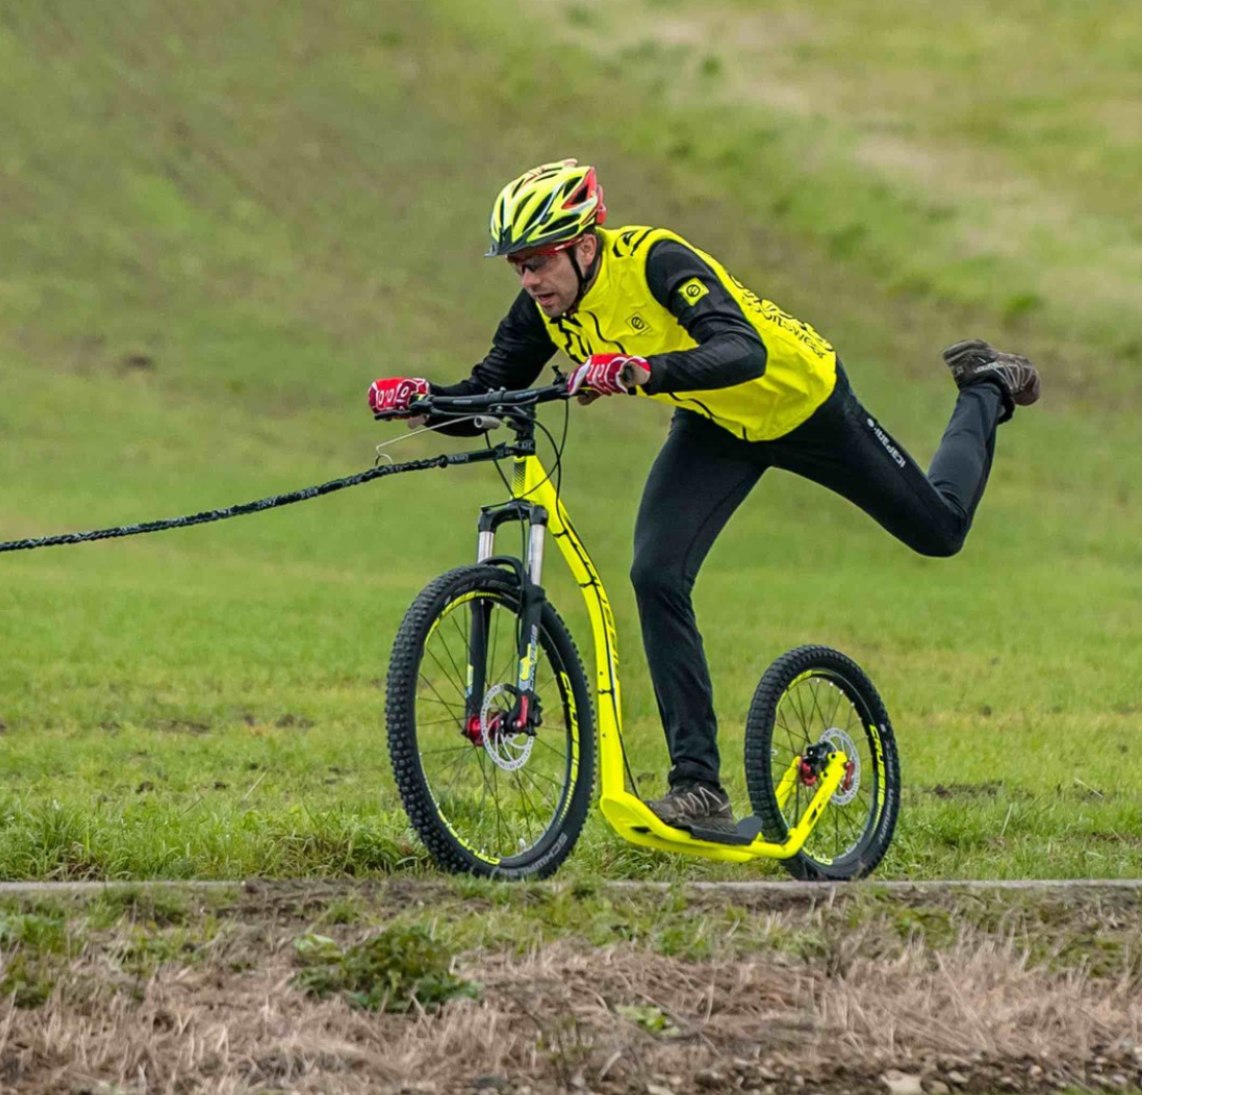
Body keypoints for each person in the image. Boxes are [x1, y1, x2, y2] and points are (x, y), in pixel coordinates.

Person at [367, 159, 1038, 833]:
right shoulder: (545, 309)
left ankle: (984, 384)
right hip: (716, 425)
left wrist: (641, 370)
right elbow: (494, 389)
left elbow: (741, 351)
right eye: (517, 267)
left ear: (585, 243)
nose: (529, 280)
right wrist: (424, 405)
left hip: (805, 403)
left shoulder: (657, 259)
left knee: (940, 530)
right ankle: (698, 788)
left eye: (538, 261)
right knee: (655, 572)